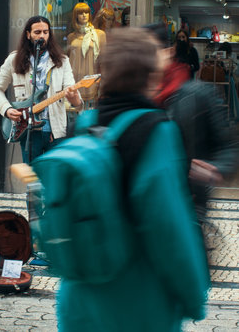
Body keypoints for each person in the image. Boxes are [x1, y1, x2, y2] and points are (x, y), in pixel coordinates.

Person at [58, 28, 210, 331]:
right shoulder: (156, 132)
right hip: (137, 306)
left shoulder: (82, 126)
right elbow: (168, 228)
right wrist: (194, 297)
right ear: (152, 76)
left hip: (79, 303)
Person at [147, 23, 238, 223]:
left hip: (190, 208)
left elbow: (228, 147)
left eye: (152, 51)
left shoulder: (198, 95)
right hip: (147, 213)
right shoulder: (132, 99)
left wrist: (215, 169)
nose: (146, 60)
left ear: (168, 52)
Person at [0, 15, 82, 162]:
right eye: (37, 32)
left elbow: (73, 95)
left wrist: (74, 98)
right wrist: (6, 109)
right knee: (33, 180)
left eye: (46, 32)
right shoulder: (14, 60)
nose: (42, 36)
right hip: (29, 132)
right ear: (28, 35)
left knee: (54, 177)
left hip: (56, 130)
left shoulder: (62, 61)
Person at [66, 3, 106, 105]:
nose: (84, 15)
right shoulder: (71, 37)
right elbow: (68, 59)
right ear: (76, 16)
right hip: (74, 78)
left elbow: (104, 60)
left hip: (91, 77)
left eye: (86, 12)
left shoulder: (99, 34)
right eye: (80, 13)